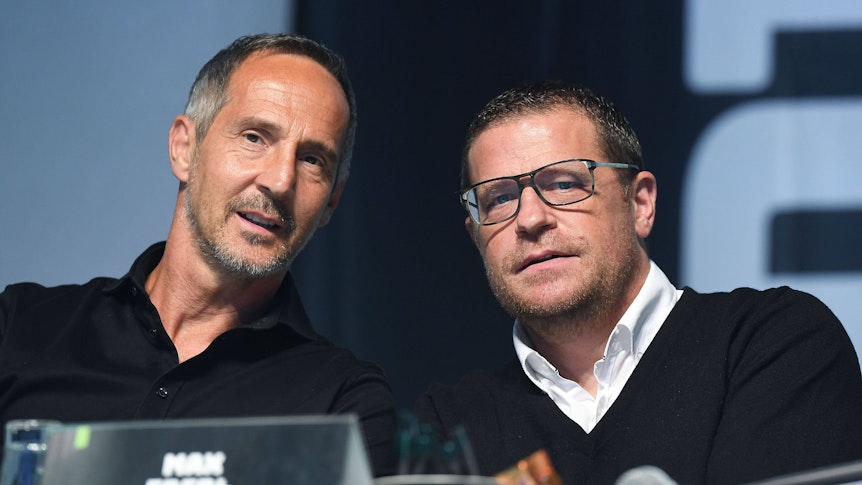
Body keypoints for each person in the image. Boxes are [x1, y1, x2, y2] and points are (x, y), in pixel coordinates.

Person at [415, 81, 862, 483]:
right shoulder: (449, 428)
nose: (530, 218)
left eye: (565, 184)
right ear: (477, 238)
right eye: (499, 198)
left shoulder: (773, 344)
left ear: (640, 204)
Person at [0, 33, 396, 476]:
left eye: (312, 161)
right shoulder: (19, 326)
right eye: (254, 137)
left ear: (332, 203)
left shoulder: (342, 402)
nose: (282, 180)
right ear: (184, 149)